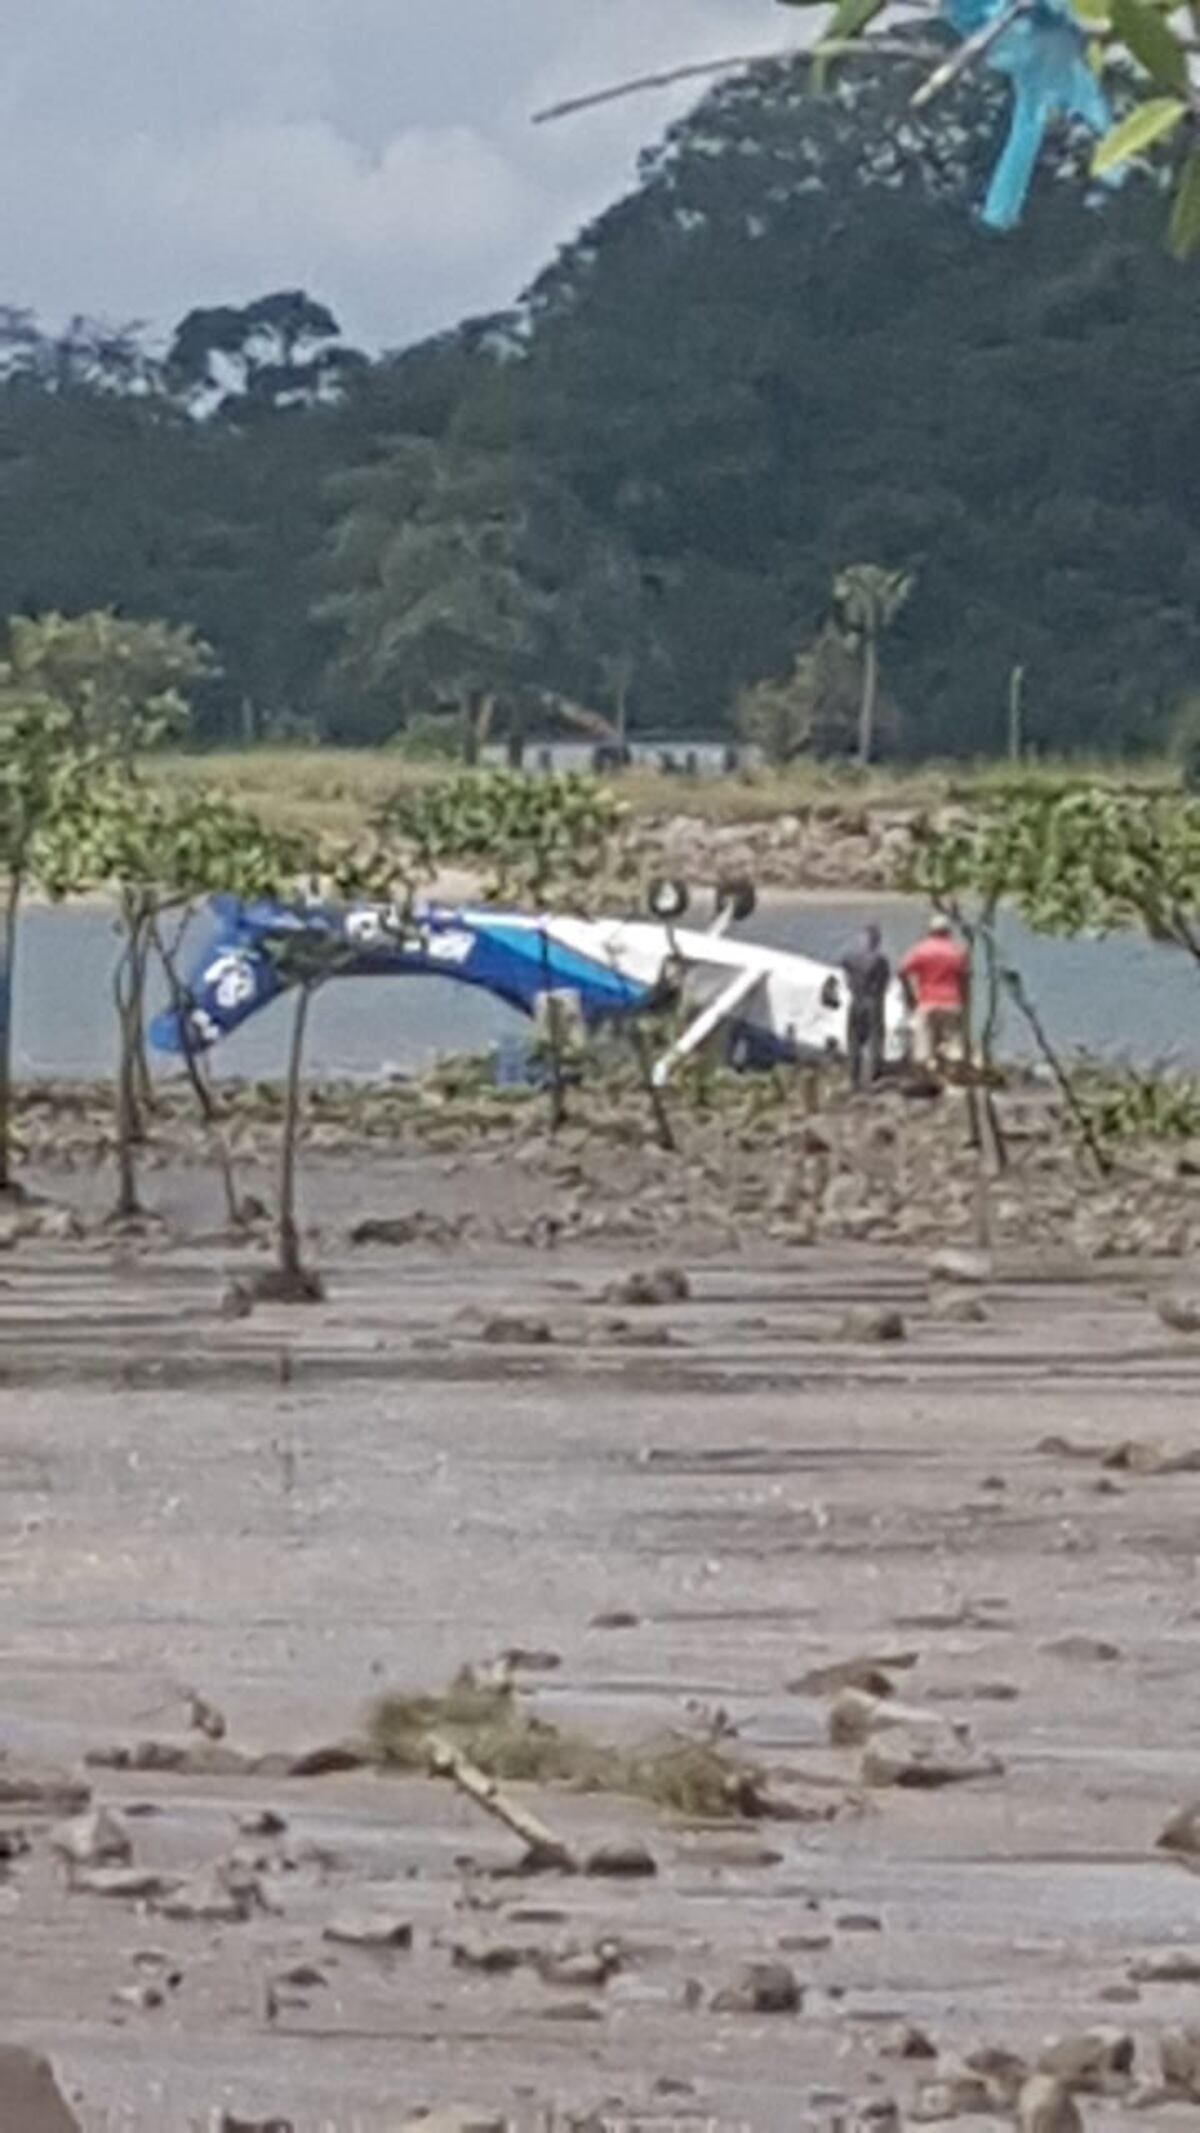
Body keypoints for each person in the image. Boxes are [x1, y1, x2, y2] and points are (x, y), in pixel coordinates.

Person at [899, 913, 970, 1075]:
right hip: (952, 1001)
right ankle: (950, 1077)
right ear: (948, 932)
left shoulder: (921, 950)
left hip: (927, 1002)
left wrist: (909, 993)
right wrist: (964, 1001)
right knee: (952, 1044)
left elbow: (902, 970)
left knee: (925, 1045)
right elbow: (964, 978)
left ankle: (930, 1076)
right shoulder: (957, 951)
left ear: (930, 931)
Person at [841, 923, 891, 1090]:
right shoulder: (880, 961)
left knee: (854, 1040)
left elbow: (844, 971)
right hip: (873, 1002)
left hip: (855, 1000)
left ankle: (853, 1078)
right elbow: (884, 983)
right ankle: (874, 1076)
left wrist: (851, 985)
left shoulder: (850, 957)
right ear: (877, 941)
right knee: (875, 1039)